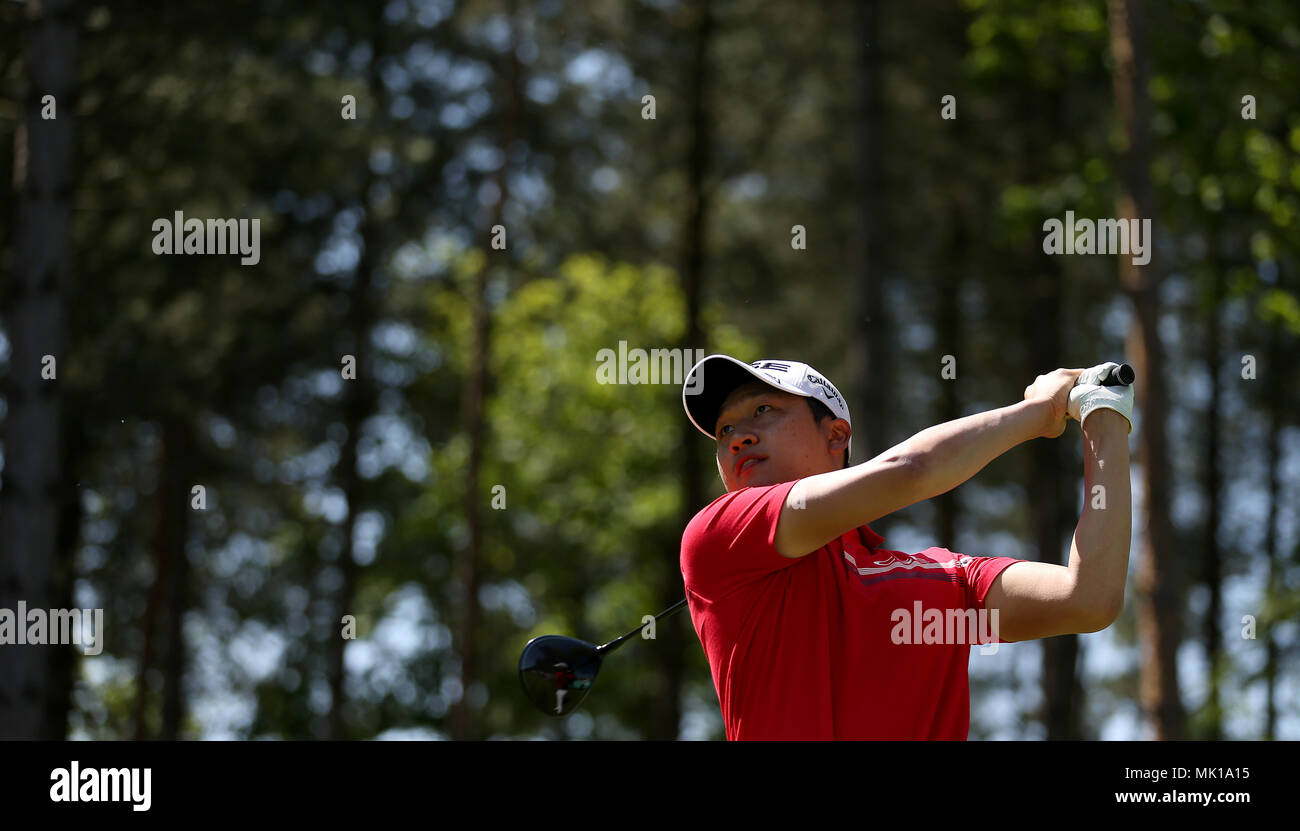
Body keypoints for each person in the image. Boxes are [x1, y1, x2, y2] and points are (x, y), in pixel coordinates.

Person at [679, 355, 1134, 740]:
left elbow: (1088, 598)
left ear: (836, 435)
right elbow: (911, 470)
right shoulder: (716, 536)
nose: (739, 437)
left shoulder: (944, 578)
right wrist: (1038, 411)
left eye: (763, 410)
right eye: (724, 430)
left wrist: (1105, 413)